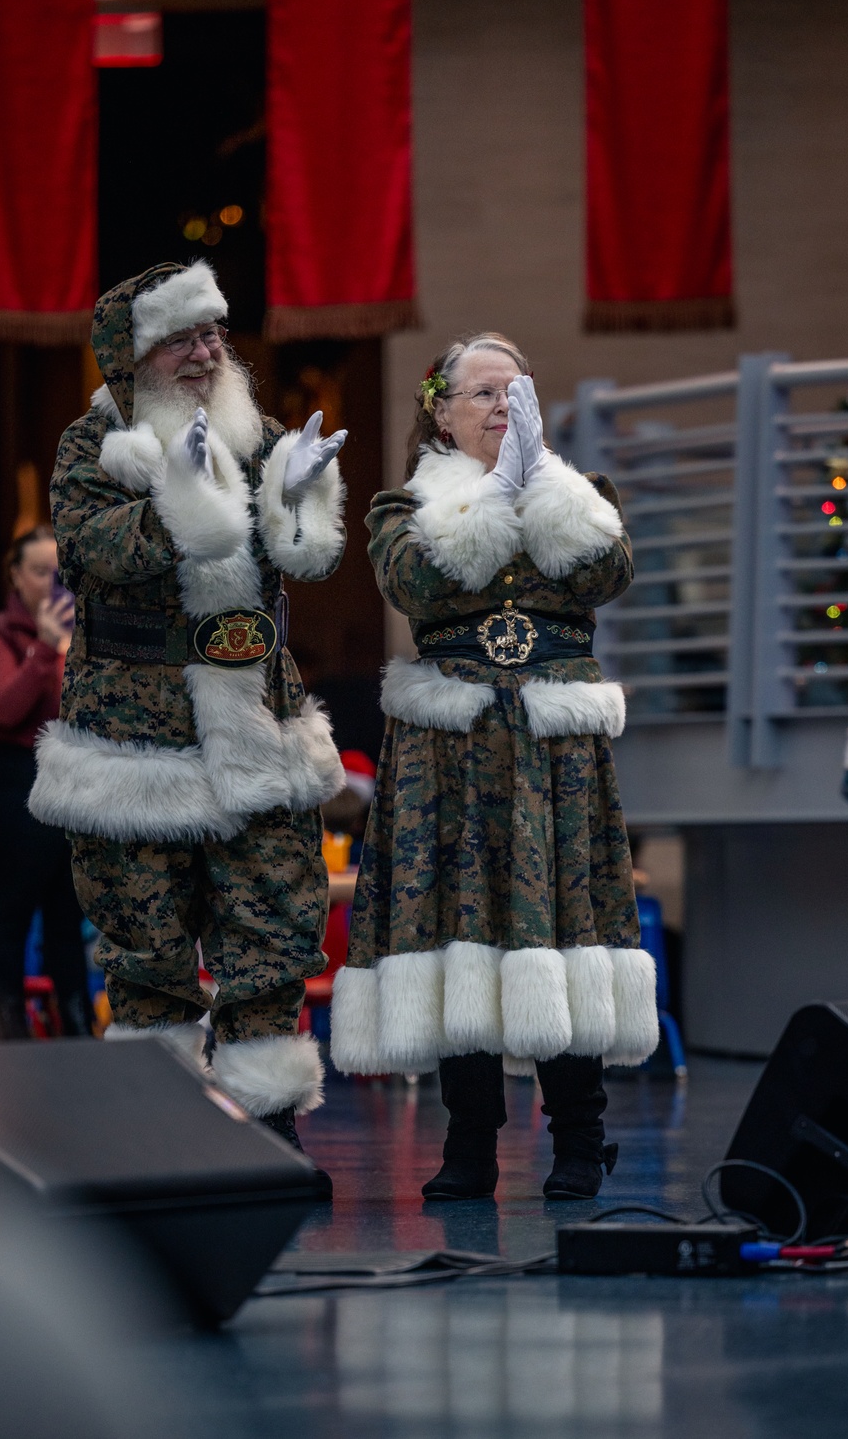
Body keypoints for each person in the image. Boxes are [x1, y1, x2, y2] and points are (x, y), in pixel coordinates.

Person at [28, 261, 347, 1183]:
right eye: (184, 337)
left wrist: (301, 494)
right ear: (136, 358)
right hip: (137, 743)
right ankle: (154, 1139)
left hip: (256, 729)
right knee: (145, 944)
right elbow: (95, 551)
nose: (208, 351)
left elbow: (309, 558)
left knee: (275, 933)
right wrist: (180, 492)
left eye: (214, 332)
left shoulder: (260, 434)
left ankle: (270, 1129)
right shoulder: (92, 444)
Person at [330, 332, 659, 1200]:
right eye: (482, 393)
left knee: (565, 930)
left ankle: (581, 1140)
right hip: (453, 753)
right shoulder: (402, 508)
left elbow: (608, 570)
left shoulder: (580, 498)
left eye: (518, 391)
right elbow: (416, 585)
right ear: (440, 409)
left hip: (553, 750)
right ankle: (470, 1142)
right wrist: (497, 501)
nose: (502, 407)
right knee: (462, 936)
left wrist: (535, 488)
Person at [0, 526, 93, 1038]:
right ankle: (10, 1032)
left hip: (66, 784)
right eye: (40, 571)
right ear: (15, 576)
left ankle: (79, 1032)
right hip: (11, 785)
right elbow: (4, 706)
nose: (51, 583)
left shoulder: (79, 637)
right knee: (12, 911)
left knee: (68, 916)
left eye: (59, 573)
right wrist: (43, 650)